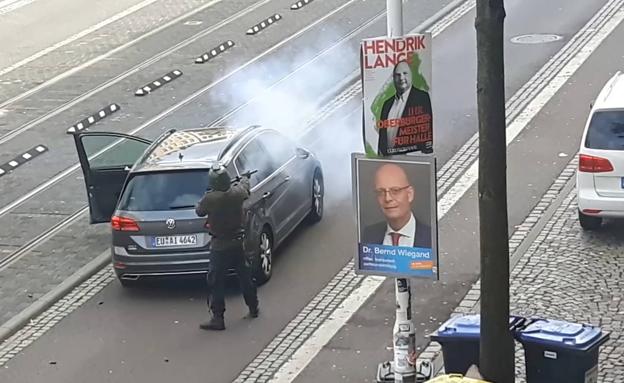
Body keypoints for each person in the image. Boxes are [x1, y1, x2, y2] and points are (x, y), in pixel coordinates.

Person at [195, 163, 259, 331]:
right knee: (245, 277)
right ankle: (253, 307)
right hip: (237, 242)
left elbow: (199, 211)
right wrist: (244, 178)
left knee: (216, 281)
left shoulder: (210, 198)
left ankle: (218, 318)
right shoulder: (237, 194)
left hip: (219, 245)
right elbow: (244, 187)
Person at [361, 163, 431, 248]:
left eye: (395, 191)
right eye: (381, 192)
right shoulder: (369, 235)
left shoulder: (431, 236)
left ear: (409, 194)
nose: (387, 198)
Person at [377, 60, 433, 155]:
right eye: (397, 75)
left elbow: (427, 127)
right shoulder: (387, 104)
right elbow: (382, 136)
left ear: (411, 75)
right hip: (389, 158)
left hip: (412, 156)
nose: (401, 78)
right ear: (393, 79)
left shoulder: (422, 97)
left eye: (405, 73)